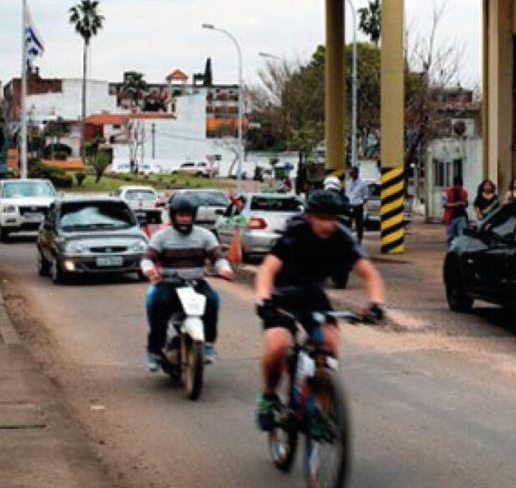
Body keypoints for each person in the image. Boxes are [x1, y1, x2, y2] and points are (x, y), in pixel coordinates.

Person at [254, 189, 385, 429]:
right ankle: (268, 396)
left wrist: (375, 304)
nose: (326, 224)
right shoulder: (295, 233)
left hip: (313, 295)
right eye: (321, 218)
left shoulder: (343, 238)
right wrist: (264, 300)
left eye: (332, 218)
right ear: (309, 217)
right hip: (281, 295)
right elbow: (268, 269)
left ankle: (324, 414)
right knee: (278, 346)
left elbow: (369, 273)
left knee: (329, 345)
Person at [142, 196, 235, 371]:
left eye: (188, 215)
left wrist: (224, 269)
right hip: (168, 283)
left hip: (197, 282)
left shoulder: (205, 235)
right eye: (181, 215)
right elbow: (148, 259)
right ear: (173, 216)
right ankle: (154, 351)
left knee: (212, 301)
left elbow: (217, 258)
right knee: (158, 305)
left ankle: (208, 344)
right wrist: (149, 271)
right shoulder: (161, 236)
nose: (185, 219)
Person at [344, 167, 369, 243]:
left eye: (352, 173)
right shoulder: (348, 182)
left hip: (358, 205)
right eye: (350, 173)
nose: (351, 174)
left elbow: (365, 195)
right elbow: (347, 193)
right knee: (348, 222)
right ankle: (348, 238)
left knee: (359, 224)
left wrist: (362, 203)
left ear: (357, 173)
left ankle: (359, 239)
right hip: (349, 205)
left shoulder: (362, 183)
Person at [442, 175, 469, 244]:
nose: (459, 187)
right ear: (454, 185)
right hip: (450, 217)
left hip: (461, 216)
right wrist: (455, 204)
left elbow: (466, 203)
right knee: (450, 236)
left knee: (462, 235)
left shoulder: (464, 192)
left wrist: (464, 203)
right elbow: (445, 204)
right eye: (457, 185)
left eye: (460, 186)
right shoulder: (446, 192)